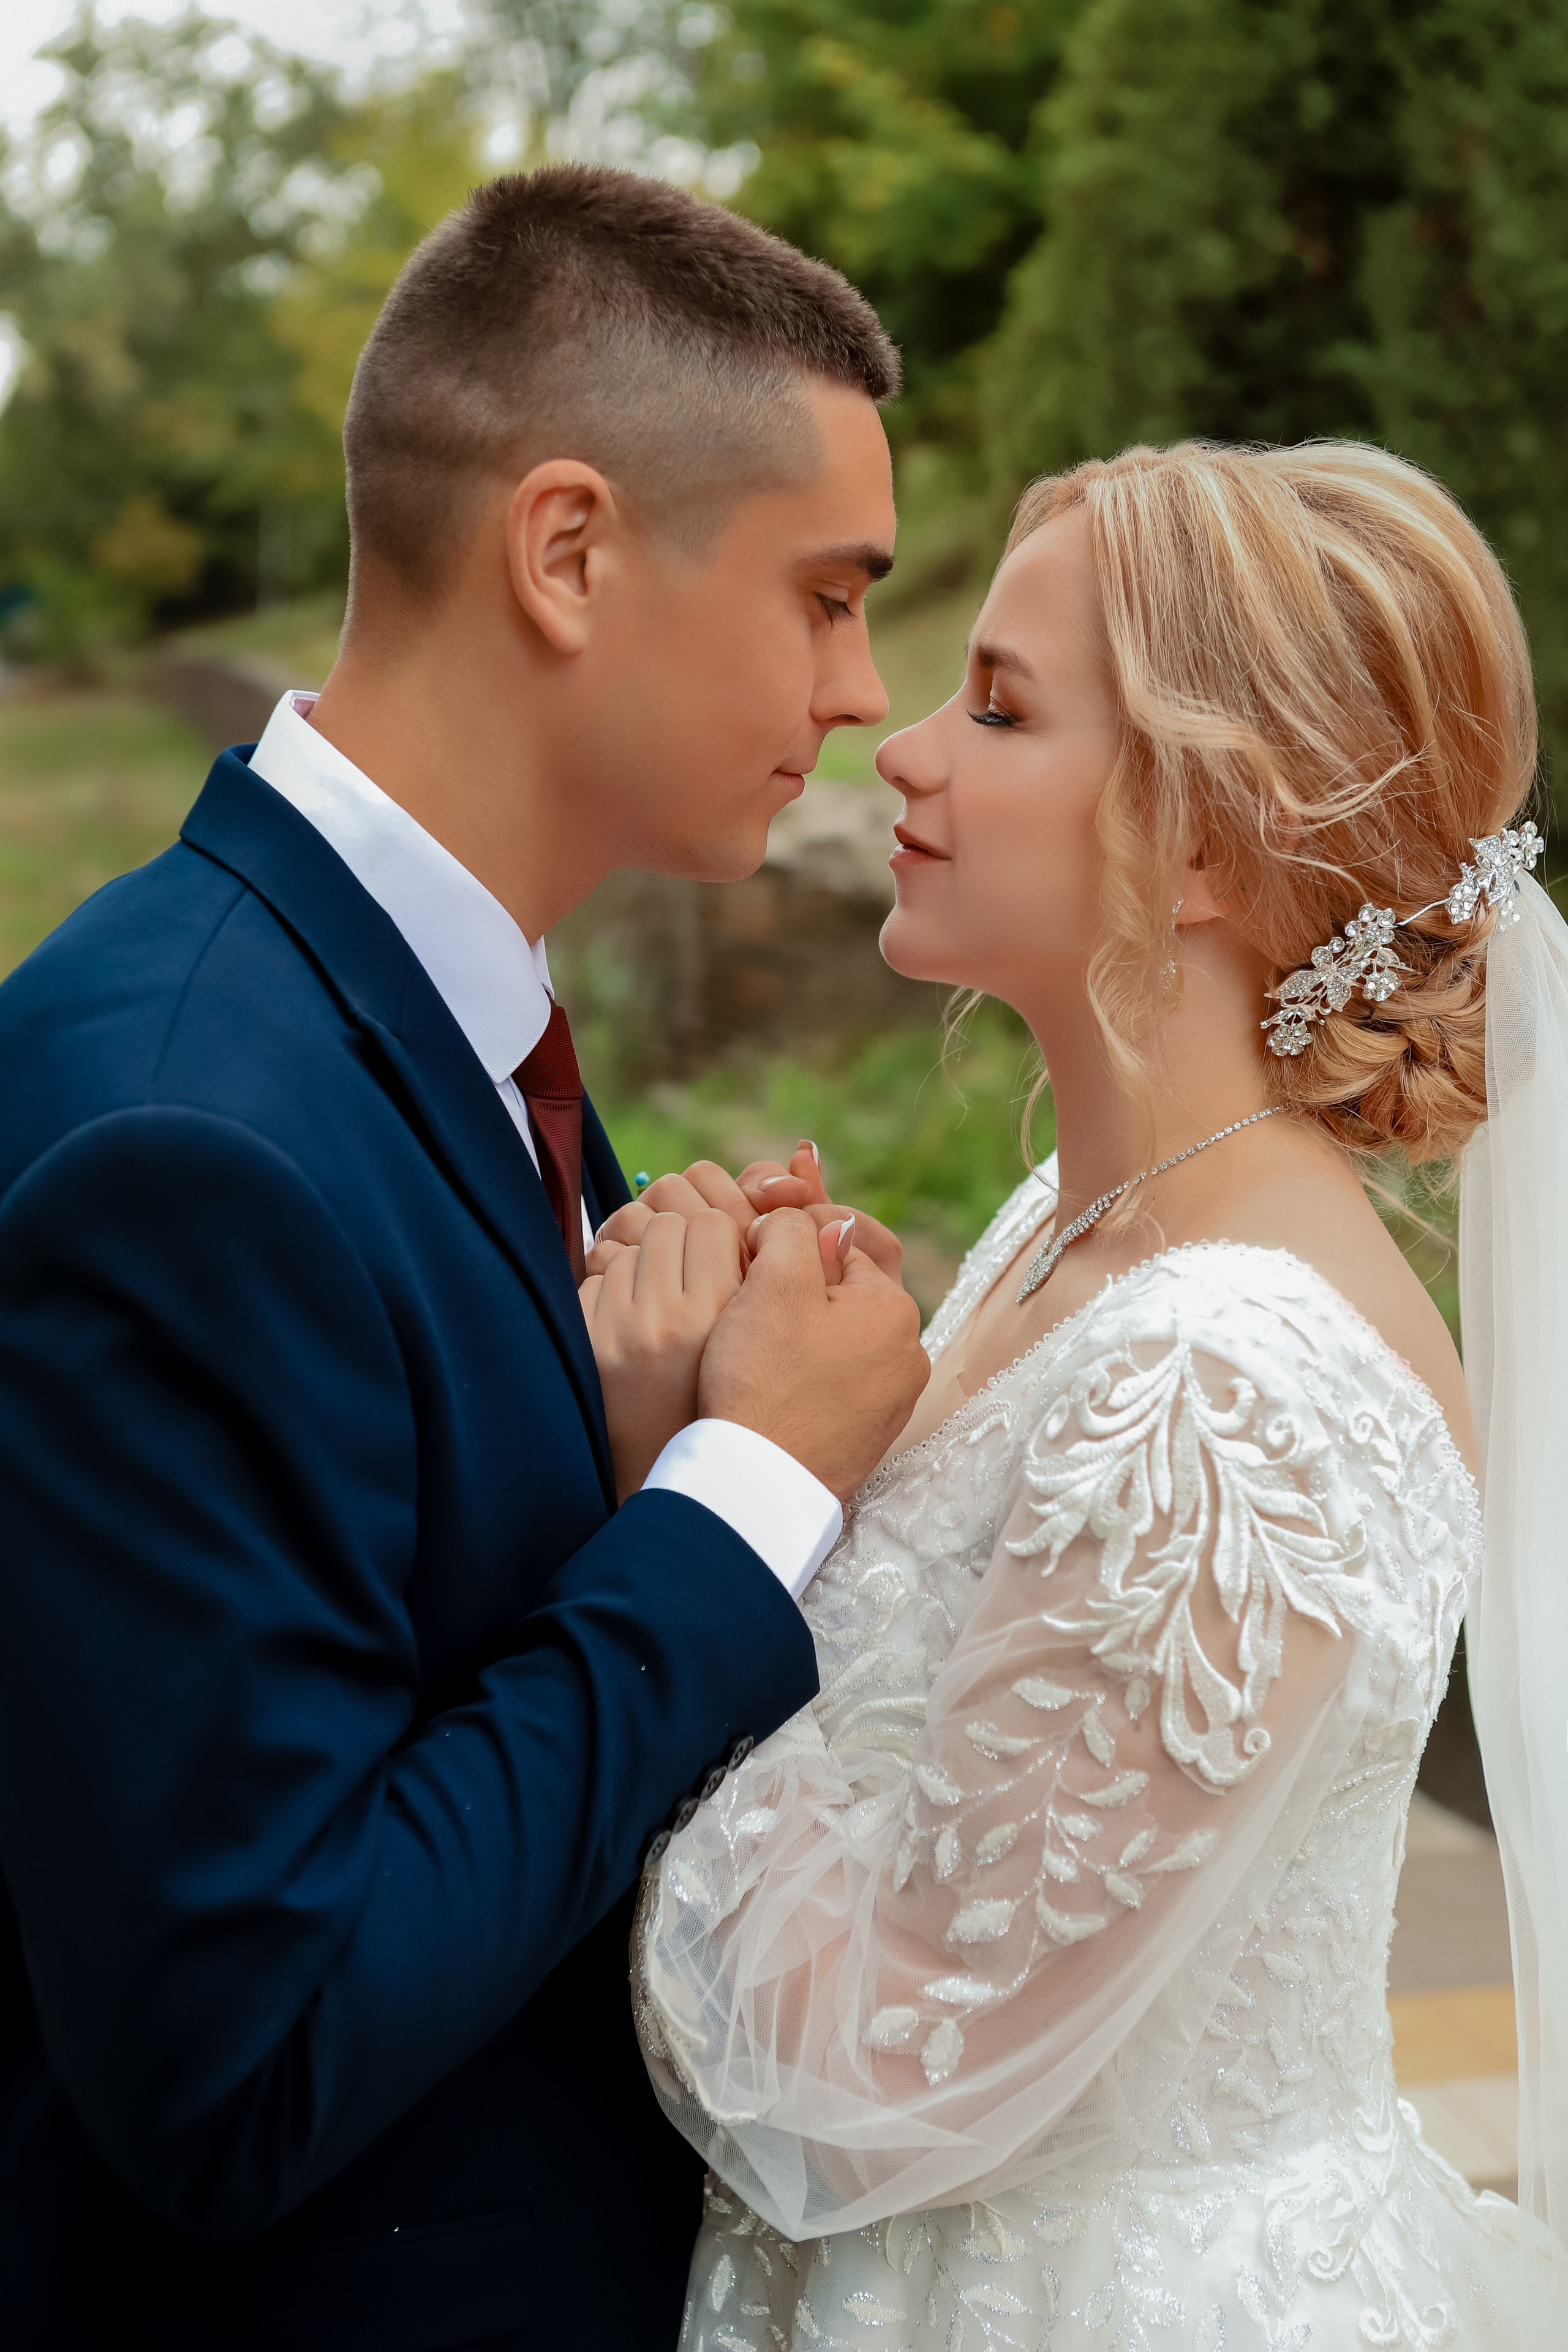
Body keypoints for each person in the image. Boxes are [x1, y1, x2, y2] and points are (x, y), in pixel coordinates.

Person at [0, 168, 929, 2348]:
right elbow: (244, 2054)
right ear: (571, 549)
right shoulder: (180, 1133)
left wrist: (609, 1458)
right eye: (823, 594)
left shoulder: (433, 1022)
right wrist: (738, 1501)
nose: (869, 688)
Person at [628, 440, 1568, 2345]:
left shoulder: (1233, 1382)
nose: (901, 747)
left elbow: (892, 2060)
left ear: (1214, 842)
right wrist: (805, 1406)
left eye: (997, 706)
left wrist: (684, 1500)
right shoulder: (1078, 1228)